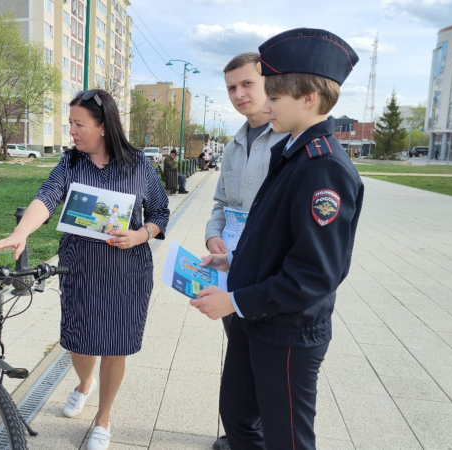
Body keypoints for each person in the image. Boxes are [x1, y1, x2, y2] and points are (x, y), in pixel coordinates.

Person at [193, 28, 364, 450]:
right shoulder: (292, 153)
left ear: (308, 98)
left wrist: (233, 301)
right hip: (258, 318)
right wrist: (234, 262)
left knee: (286, 438)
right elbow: (272, 235)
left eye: (274, 97)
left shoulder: (323, 167)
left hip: (286, 330)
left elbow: (315, 274)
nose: (265, 106)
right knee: (237, 417)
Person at [0, 89, 169, 450]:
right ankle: (84, 383)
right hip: (80, 269)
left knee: (116, 345)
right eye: (70, 123)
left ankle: (103, 418)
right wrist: (22, 230)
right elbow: (47, 196)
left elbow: (161, 213)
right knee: (79, 341)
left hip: (127, 270)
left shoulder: (137, 164)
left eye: (78, 124)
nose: (71, 131)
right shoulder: (70, 164)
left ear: (103, 127)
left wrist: (140, 235)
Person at [203, 52, 289, 450]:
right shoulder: (235, 143)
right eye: (231, 88)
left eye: (246, 84)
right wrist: (212, 237)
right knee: (238, 357)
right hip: (229, 269)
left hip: (267, 277)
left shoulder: (288, 139)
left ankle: (249, 434)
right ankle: (241, 432)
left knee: (264, 368)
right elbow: (221, 203)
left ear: (267, 81)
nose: (239, 94)